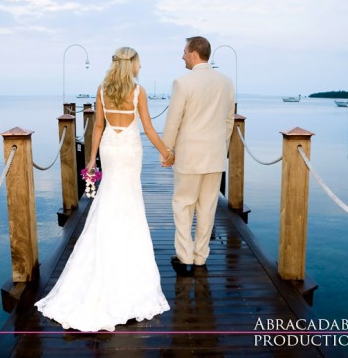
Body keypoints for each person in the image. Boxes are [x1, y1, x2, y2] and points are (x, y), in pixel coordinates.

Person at [35, 46, 172, 332]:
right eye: (139, 62)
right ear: (131, 64)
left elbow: (97, 126)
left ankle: (106, 248)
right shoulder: (139, 92)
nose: (141, 66)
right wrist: (166, 152)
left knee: (110, 196)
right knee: (130, 201)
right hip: (130, 149)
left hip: (110, 148)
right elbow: (148, 128)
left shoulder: (102, 90)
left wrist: (91, 160)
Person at [162, 36, 235, 274]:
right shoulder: (226, 82)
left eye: (184, 51)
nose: (182, 56)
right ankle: (201, 256)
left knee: (183, 205)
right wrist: (220, 147)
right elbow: (229, 121)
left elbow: (174, 121)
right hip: (214, 156)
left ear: (194, 54)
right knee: (208, 207)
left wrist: (167, 150)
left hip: (189, 156)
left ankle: (185, 258)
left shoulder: (182, 83)